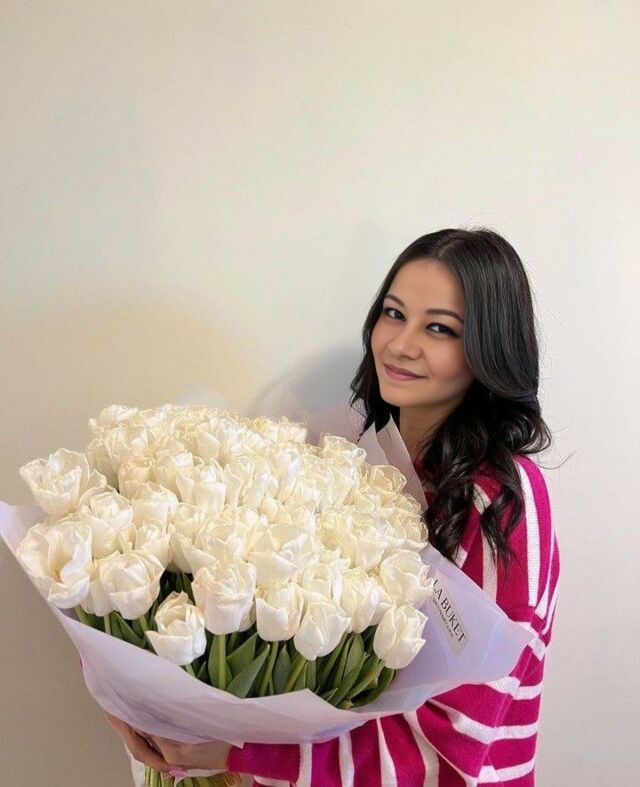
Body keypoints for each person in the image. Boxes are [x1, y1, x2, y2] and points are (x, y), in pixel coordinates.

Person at [107, 227, 561, 786]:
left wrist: (235, 753)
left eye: (439, 328)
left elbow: (450, 751)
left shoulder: (501, 503)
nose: (401, 344)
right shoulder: (356, 459)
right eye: (394, 314)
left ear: (489, 348)